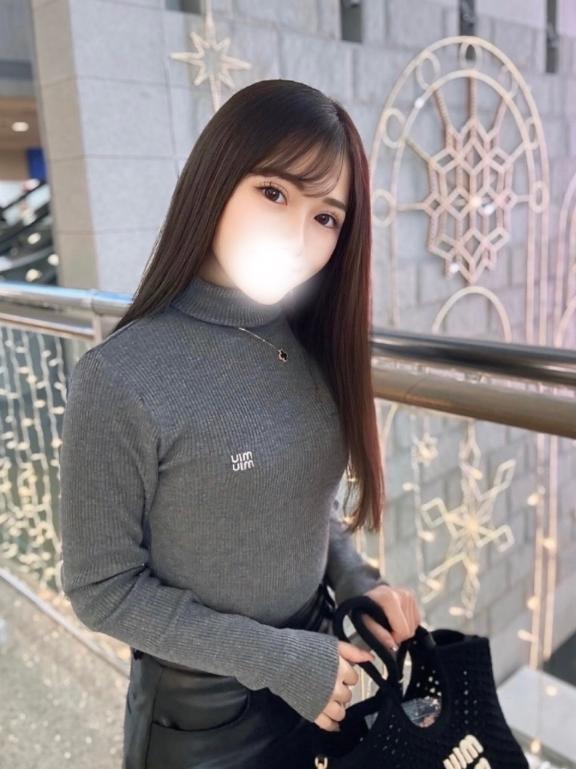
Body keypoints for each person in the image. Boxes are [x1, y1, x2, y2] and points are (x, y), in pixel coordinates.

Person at [58, 78, 422, 769]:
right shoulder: (120, 376)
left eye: (327, 217)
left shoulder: (307, 344)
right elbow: (102, 589)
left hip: (318, 674)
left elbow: (301, 503)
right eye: (274, 193)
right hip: (205, 720)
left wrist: (358, 582)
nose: (298, 236)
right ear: (215, 181)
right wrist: (275, 658)